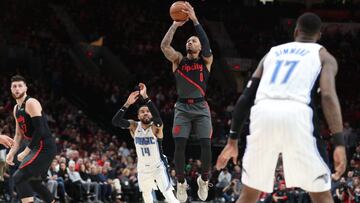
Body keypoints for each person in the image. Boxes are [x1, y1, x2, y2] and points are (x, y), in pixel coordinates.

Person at [216, 13, 347, 203]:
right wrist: (340, 143)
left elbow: (246, 97)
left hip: (262, 112)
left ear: (295, 32)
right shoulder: (324, 55)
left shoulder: (272, 53)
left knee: (249, 193)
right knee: (321, 195)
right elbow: (327, 95)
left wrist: (232, 139)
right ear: (319, 35)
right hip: (297, 113)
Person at [160, 2, 213, 202]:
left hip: (200, 106)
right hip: (182, 107)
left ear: (200, 47)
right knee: (179, 146)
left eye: (194, 41)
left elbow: (207, 45)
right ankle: (181, 183)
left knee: (206, 145)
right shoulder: (178, 61)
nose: (190, 42)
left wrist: (195, 20)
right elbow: (164, 46)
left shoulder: (206, 61)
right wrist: (175, 25)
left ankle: (204, 179)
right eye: (189, 40)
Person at [112, 83, 179, 203]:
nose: (146, 113)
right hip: (143, 167)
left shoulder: (156, 127)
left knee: (169, 196)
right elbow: (116, 121)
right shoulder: (134, 126)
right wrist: (127, 103)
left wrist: (146, 97)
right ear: (138, 116)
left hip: (158, 166)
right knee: (147, 196)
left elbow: (158, 118)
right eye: (142, 111)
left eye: (148, 111)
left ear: (151, 114)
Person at [6, 75, 57, 203]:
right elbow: (18, 135)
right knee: (34, 182)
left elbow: (40, 130)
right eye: (14, 86)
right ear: (11, 89)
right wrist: (11, 153)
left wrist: (26, 151)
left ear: (26, 88)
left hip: (44, 146)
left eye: (20, 85)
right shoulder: (16, 108)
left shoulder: (31, 102)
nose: (17, 88)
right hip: (36, 146)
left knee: (18, 177)